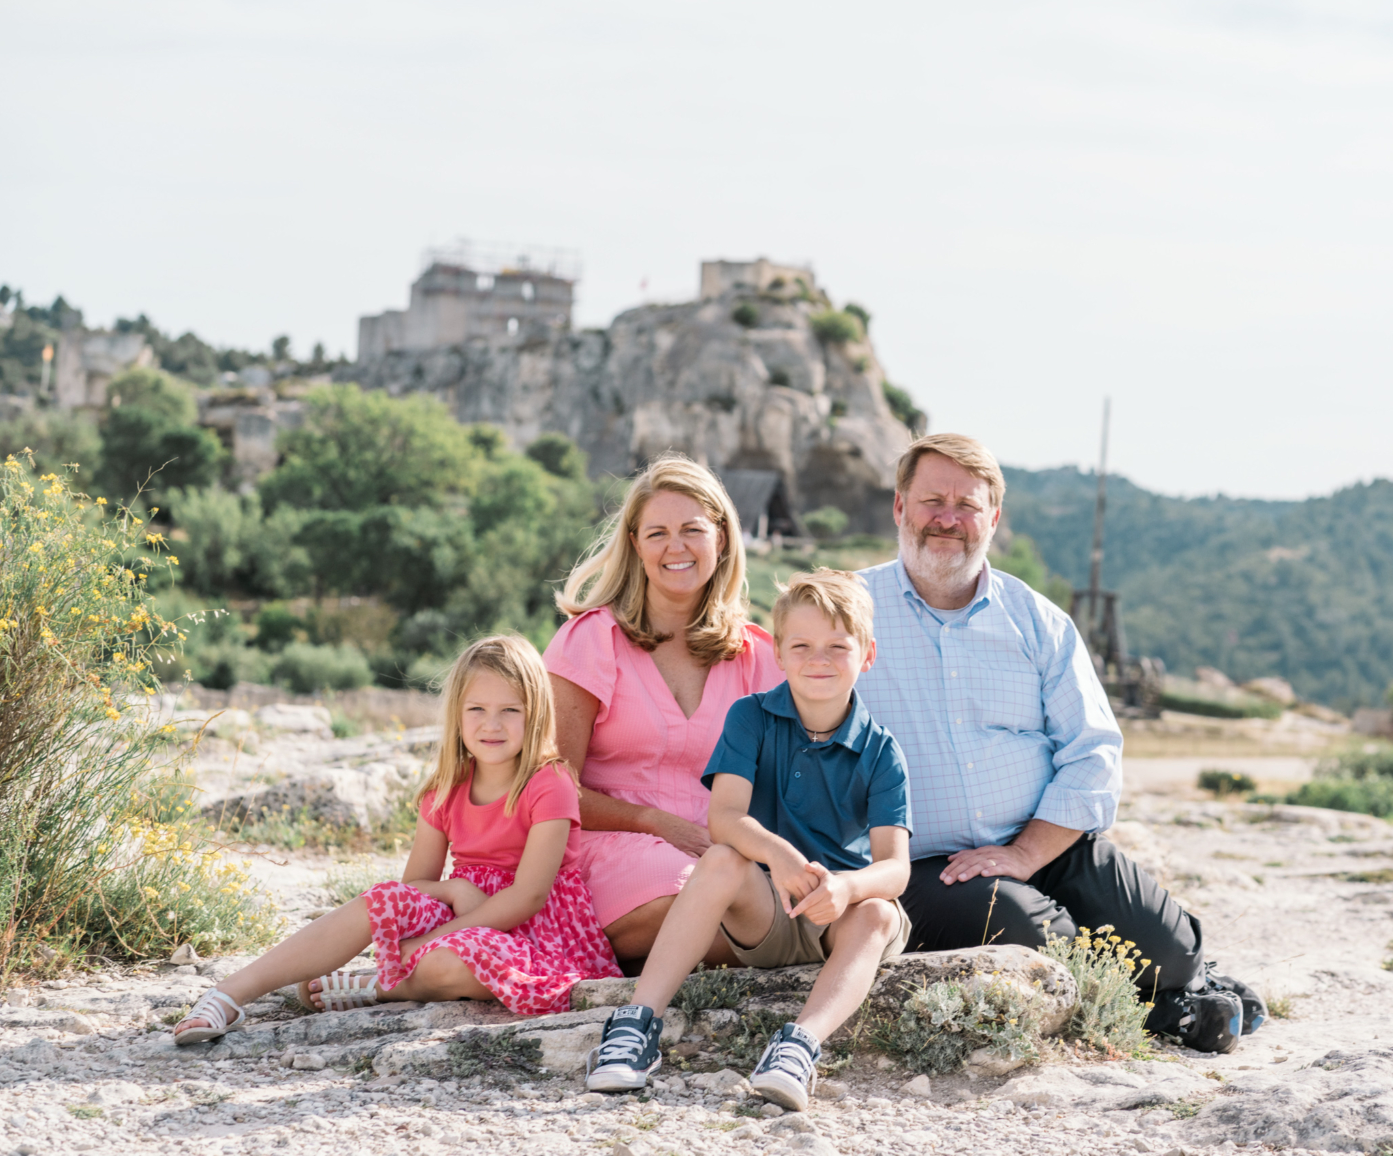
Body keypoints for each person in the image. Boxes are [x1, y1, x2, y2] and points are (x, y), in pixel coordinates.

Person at [856, 433, 1264, 1054]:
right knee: (1038, 936)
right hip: (920, 864)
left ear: (992, 519)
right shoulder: (850, 612)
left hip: (1046, 841)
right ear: (899, 507)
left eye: (967, 505)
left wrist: (1025, 853)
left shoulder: (1038, 621)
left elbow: (1094, 751)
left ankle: (1184, 984)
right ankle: (1159, 1013)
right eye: (932, 499)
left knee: (1170, 949)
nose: (948, 518)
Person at [172, 636, 620, 1044]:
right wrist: (451, 890)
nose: (492, 725)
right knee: (380, 901)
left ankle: (377, 984)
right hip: (461, 914)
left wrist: (427, 944)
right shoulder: (445, 787)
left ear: (535, 713)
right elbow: (411, 889)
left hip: (538, 937)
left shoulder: (549, 782)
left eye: (511, 710)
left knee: (453, 962)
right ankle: (228, 996)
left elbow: (528, 896)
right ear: (457, 716)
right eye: (477, 710)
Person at [585, 570, 911, 1110]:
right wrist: (778, 854)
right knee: (720, 859)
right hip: (770, 907)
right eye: (802, 645)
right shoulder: (751, 718)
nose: (819, 659)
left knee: (878, 913)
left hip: (840, 915)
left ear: (868, 655)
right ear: (778, 652)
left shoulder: (882, 751)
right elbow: (725, 818)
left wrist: (848, 889)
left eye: (838, 646)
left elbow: (895, 868)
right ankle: (636, 1026)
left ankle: (798, 1047)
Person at [545, 454, 783, 968]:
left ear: (720, 537)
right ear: (635, 545)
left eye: (692, 529)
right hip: (613, 847)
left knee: (756, 889)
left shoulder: (758, 657)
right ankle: (773, 944)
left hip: (724, 854)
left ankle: (763, 936)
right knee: (685, 894)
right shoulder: (591, 642)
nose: (675, 547)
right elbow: (550, 788)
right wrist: (656, 823)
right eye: (657, 533)